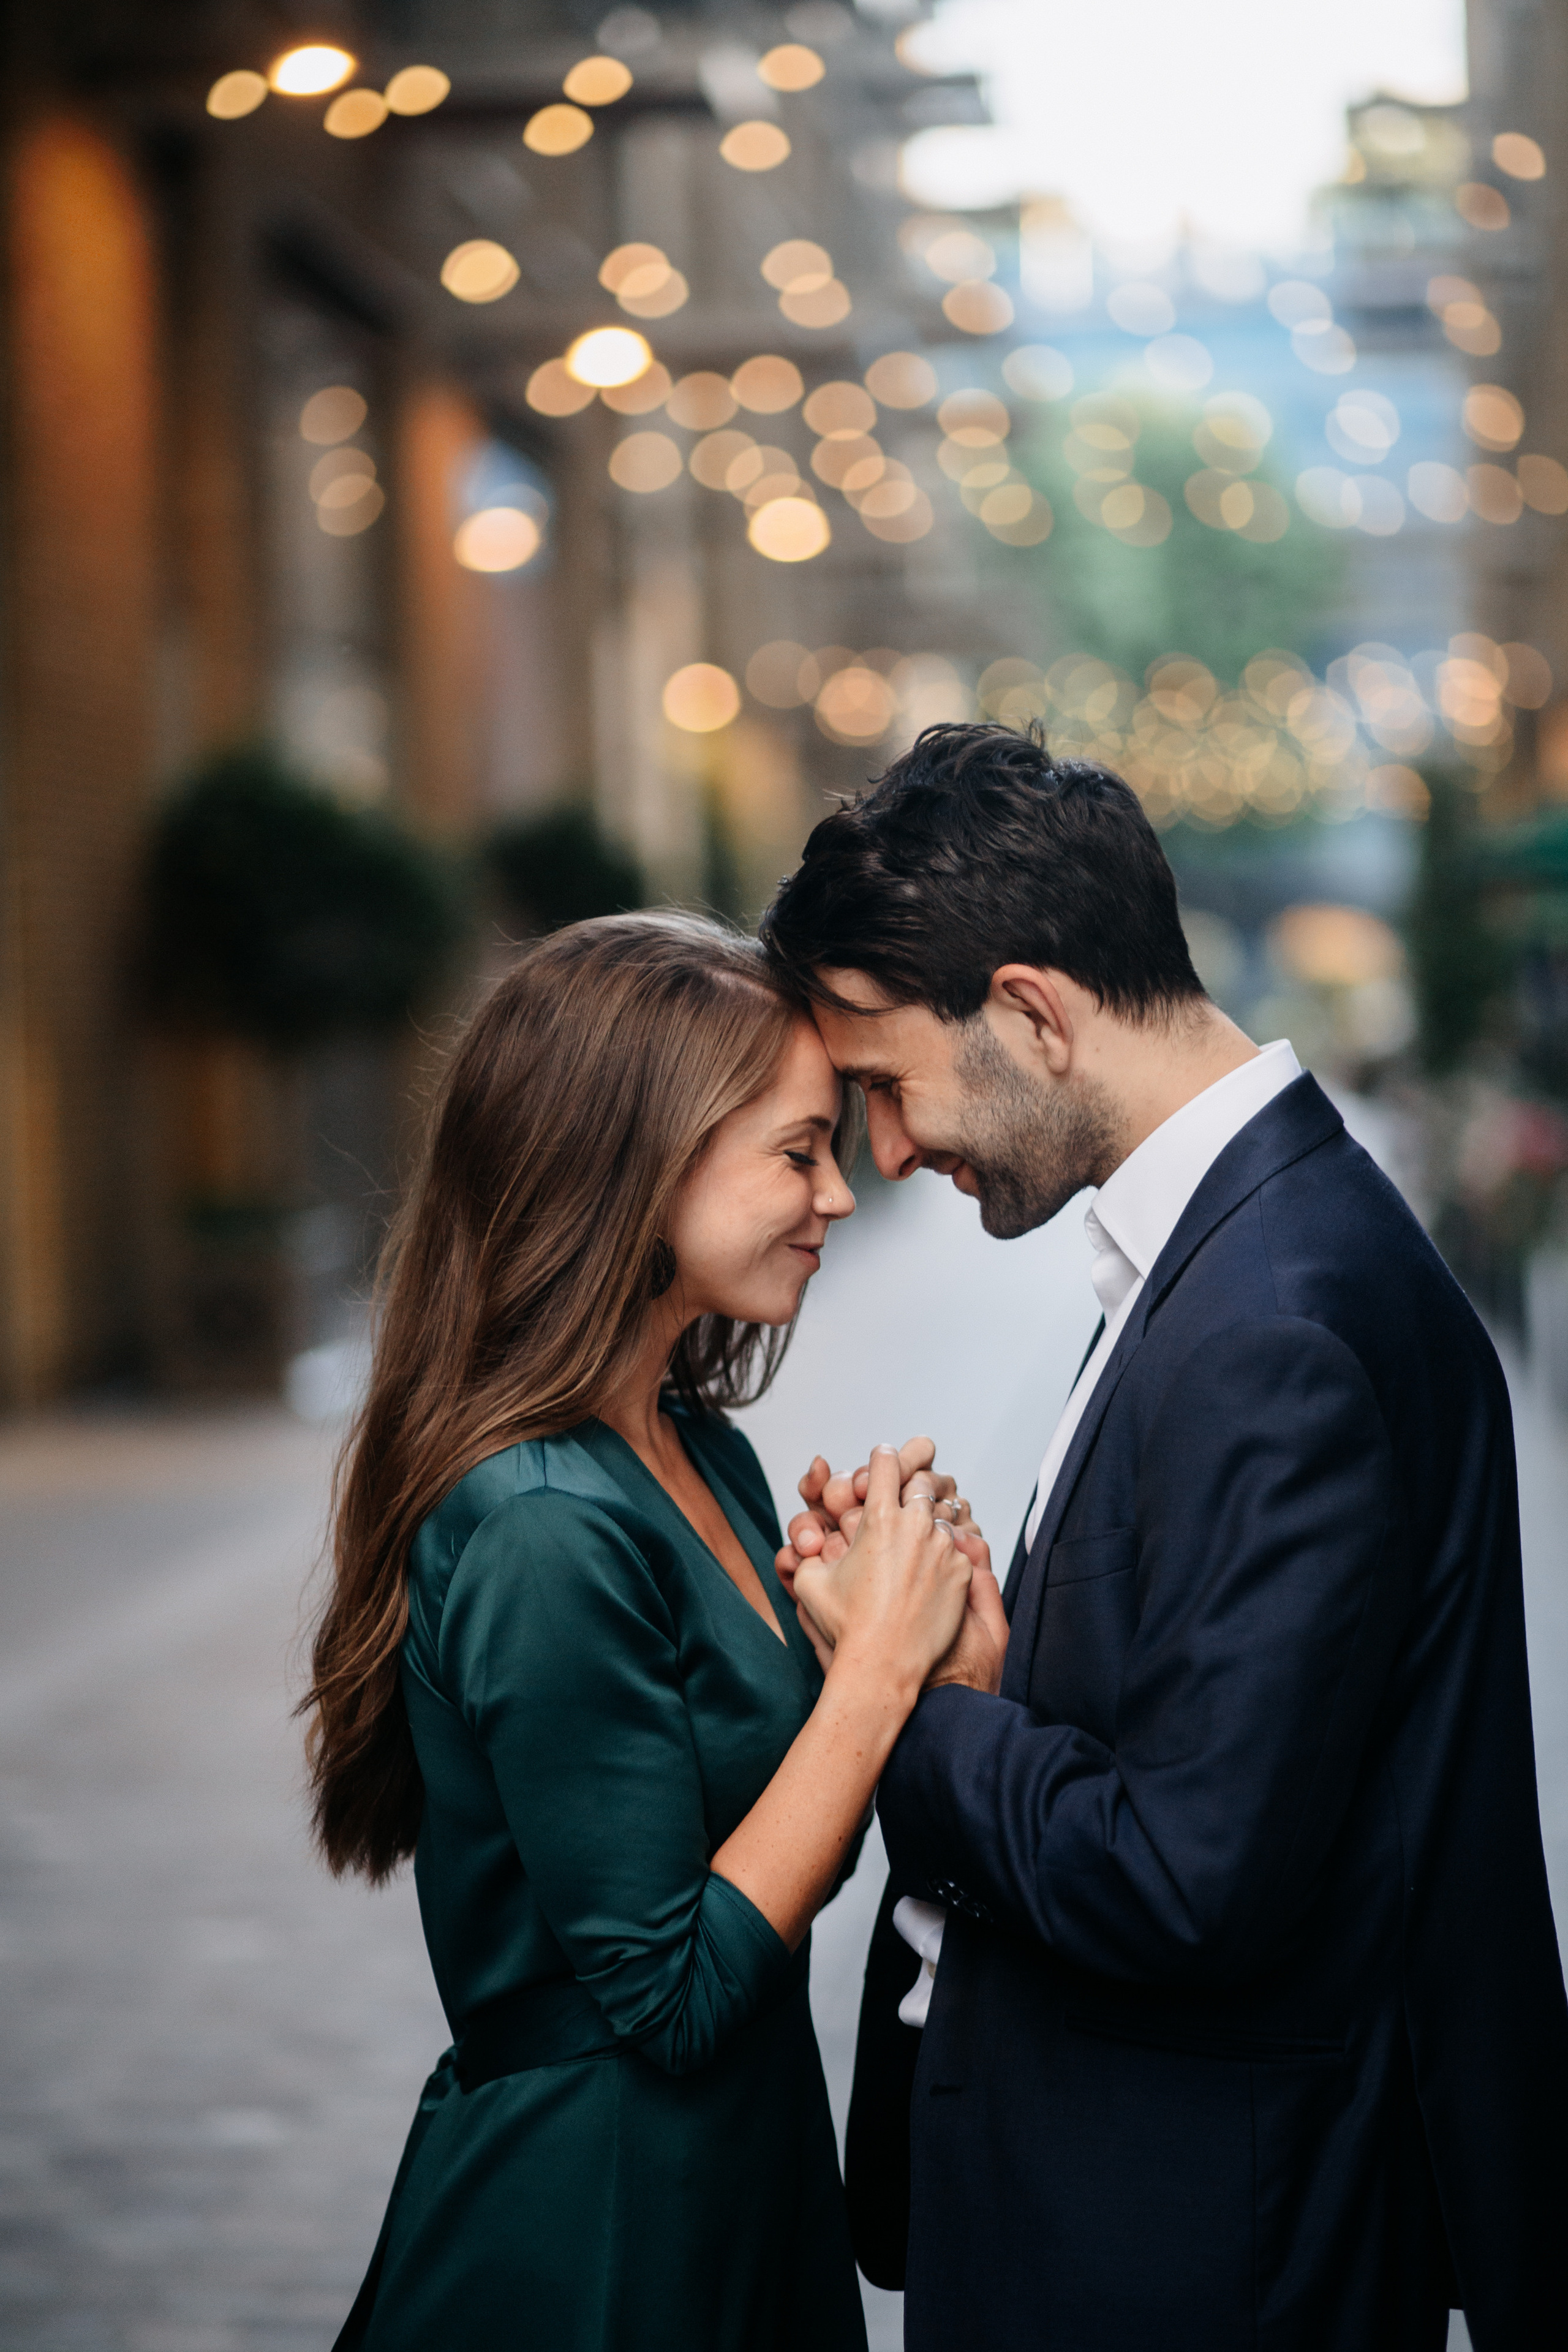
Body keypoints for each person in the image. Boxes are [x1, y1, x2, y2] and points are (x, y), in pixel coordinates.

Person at [761, 723, 1568, 2351]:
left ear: (1037, 1014)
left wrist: (912, 1697)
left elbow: (1195, 1882)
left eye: (886, 1088)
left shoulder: (1278, 1313)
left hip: (1201, 2257)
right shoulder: (1240, 1248)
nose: (893, 1152)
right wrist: (1002, 1657)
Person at [300, 914, 1001, 2352]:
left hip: (737, 2187)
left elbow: (771, 1839)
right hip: (597, 2235)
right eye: (798, 1151)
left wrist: (907, 1642)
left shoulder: (693, 1447)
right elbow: (672, 1995)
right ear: (638, 1156)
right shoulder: (540, 1526)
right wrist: (868, 1679)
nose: (842, 1197)